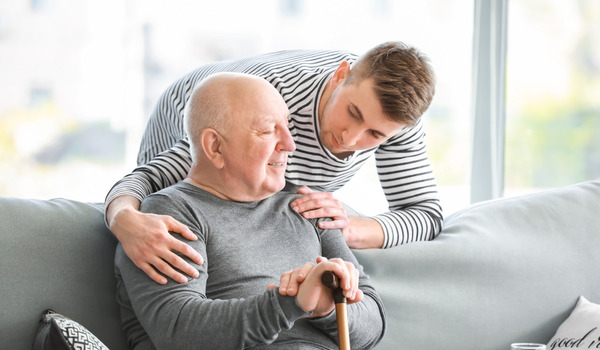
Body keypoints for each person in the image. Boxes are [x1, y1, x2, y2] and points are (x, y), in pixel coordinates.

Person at [114, 73, 465, 350]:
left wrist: (328, 306)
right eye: (269, 131)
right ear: (215, 147)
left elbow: (371, 324)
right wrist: (292, 302)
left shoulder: (306, 207)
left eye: (288, 126)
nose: (290, 144)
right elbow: (178, 333)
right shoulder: (167, 216)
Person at [107, 41, 444, 285]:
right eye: (352, 113)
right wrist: (124, 220)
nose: (351, 139)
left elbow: (425, 214)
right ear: (341, 76)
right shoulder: (274, 101)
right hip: (191, 107)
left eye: (375, 134)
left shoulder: (398, 120)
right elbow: (145, 180)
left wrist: (352, 228)